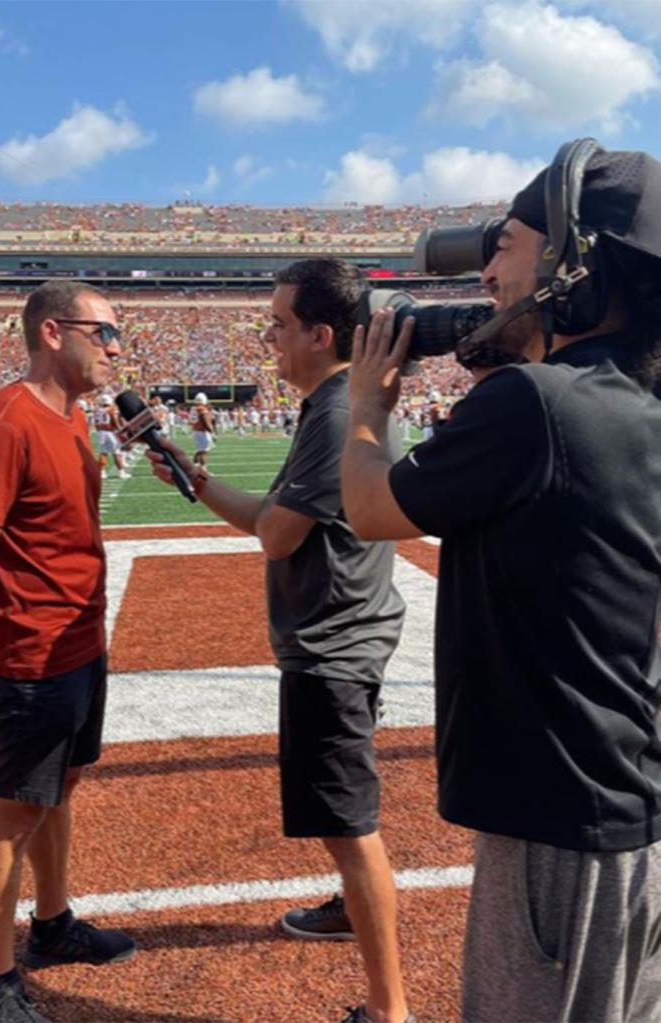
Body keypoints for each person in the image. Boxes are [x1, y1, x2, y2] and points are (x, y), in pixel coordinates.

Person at [340, 144, 661, 1022]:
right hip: (620, 799)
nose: (486, 270)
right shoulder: (623, 398)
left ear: (572, 260)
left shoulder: (536, 405)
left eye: (508, 244)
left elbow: (371, 507)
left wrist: (367, 401)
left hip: (557, 819)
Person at [148, 259, 413, 1023]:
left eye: (276, 323)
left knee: (348, 826)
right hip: (342, 635)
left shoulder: (333, 410)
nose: (267, 337)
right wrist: (194, 484)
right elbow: (275, 516)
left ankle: (389, 1010)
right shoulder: (328, 404)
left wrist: (201, 489)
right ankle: (348, 912)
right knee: (343, 821)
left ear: (319, 334)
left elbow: (275, 533)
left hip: (332, 645)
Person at [0, 281, 136, 1023]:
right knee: (14, 812)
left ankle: (51, 924)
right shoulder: (5, 419)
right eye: (106, 333)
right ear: (54, 333)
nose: (116, 348)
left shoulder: (75, 414)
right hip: (33, 653)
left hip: (81, 641)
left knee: (61, 786)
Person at [94, 392, 130, 480]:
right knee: (117, 452)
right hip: (109, 432)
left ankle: (102, 472)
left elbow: (96, 423)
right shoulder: (111, 409)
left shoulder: (97, 410)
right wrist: (120, 429)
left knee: (103, 452)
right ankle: (121, 472)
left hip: (100, 432)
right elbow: (114, 420)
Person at [189, 390, 216, 467]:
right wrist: (212, 432)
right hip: (202, 432)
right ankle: (204, 470)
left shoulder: (193, 408)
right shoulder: (202, 409)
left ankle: (194, 466)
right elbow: (205, 420)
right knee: (203, 452)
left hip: (195, 431)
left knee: (199, 451)